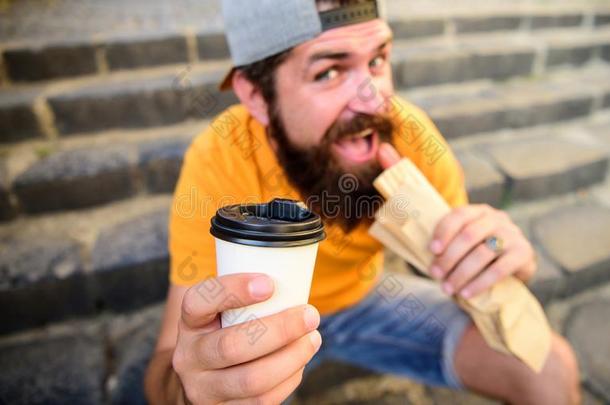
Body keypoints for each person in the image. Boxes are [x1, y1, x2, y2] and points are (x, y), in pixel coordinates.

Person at [144, 1, 581, 404]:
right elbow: (167, 364)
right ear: (257, 96)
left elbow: (469, 269)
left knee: (550, 368)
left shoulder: (410, 137)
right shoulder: (219, 158)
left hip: (364, 301)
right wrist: (195, 390)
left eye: (377, 60)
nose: (374, 98)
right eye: (328, 73)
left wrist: (493, 263)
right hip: (260, 317)